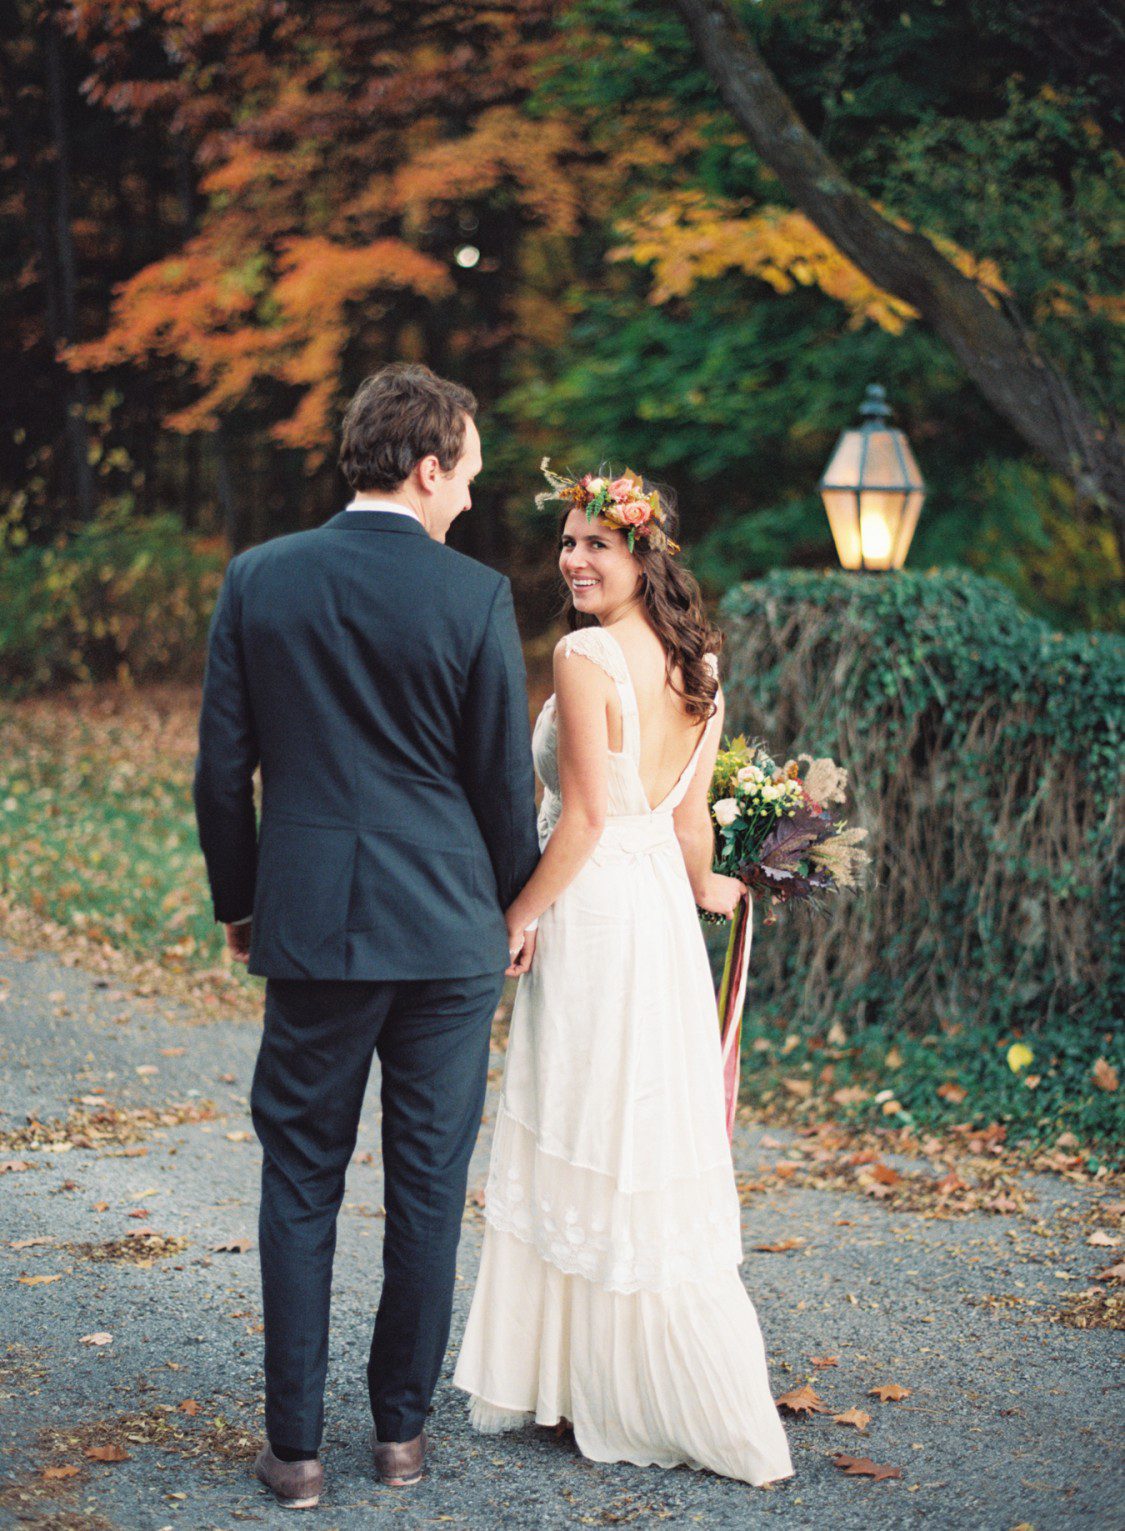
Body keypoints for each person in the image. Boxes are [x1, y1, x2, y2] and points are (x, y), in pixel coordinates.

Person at [192, 364, 540, 1509]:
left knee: (300, 1178)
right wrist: (515, 907)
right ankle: (400, 1438)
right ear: (427, 464)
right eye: (468, 478)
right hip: (447, 933)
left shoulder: (259, 579)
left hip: (317, 927)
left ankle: (293, 1453)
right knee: (428, 1187)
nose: (471, 502)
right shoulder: (473, 594)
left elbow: (219, 773)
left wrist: (241, 903)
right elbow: (498, 782)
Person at [453, 466, 794, 1486]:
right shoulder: (701, 667)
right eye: (566, 543)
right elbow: (683, 821)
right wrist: (707, 889)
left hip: (598, 906)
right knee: (631, 1122)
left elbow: (593, 818)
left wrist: (518, 914)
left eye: (596, 543)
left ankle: (606, 1379)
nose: (575, 559)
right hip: (654, 911)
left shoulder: (586, 655)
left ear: (643, 555)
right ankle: (585, 1375)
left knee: (587, 1117)